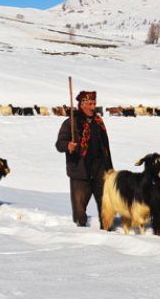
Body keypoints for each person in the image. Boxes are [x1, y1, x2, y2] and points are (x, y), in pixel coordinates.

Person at [55, 91, 113, 227]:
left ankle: (107, 232)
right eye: (90, 104)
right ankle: (81, 235)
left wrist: (109, 167)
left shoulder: (99, 122)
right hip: (80, 170)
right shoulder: (70, 123)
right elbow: (59, 143)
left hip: (100, 170)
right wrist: (68, 145)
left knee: (106, 205)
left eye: (94, 104)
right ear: (81, 105)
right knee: (79, 211)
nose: (93, 107)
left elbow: (105, 147)